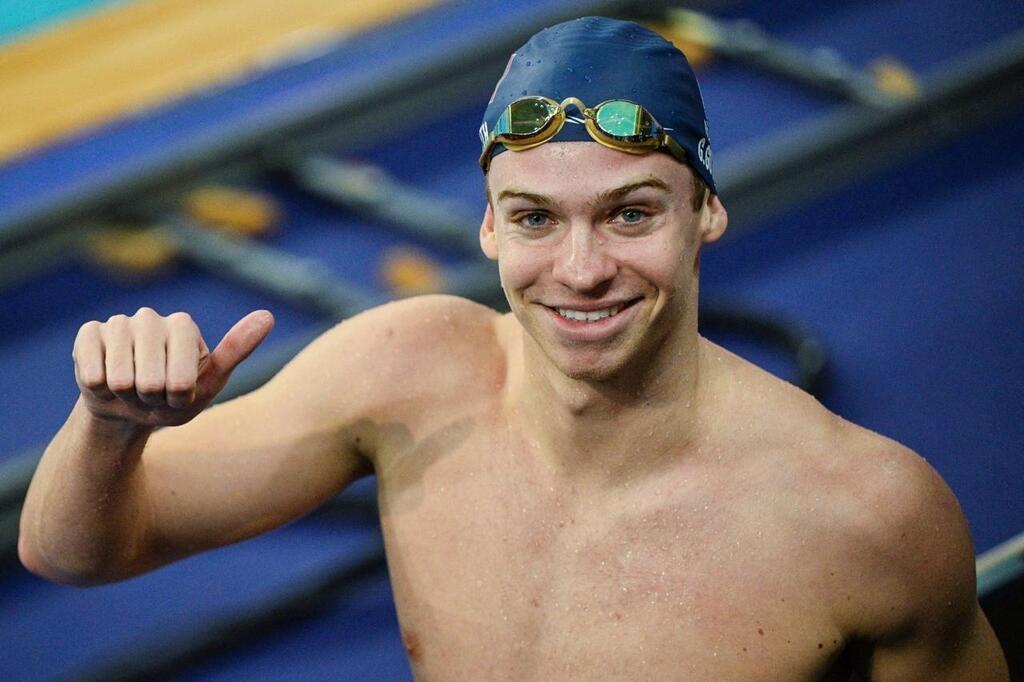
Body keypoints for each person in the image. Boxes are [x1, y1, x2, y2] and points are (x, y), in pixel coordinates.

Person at [19, 17, 1007, 680]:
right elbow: (70, 552)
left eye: (628, 214)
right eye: (535, 218)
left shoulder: (867, 519)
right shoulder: (402, 372)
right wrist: (108, 428)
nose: (580, 269)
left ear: (705, 212)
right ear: (489, 228)